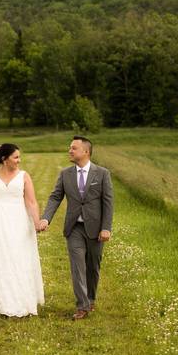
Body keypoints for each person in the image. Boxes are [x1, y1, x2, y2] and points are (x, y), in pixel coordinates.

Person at [38, 136, 113, 320]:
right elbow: (56, 197)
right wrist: (46, 218)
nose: (69, 151)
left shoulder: (102, 173)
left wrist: (106, 228)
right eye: (70, 148)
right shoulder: (65, 174)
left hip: (96, 229)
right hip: (74, 229)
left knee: (93, 266)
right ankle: (82, 306)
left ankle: (91, 299)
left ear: (85, 152)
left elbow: (108, 202)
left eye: (73, 148)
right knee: (77, 266)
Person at [0, 143, 45, 317]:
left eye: (19, 157)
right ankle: (3, 300)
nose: (19, 160)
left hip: (19, 221)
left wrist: (36, 222)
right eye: (15, 157)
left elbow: (31, 201)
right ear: (4, 159)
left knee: (19, 257)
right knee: (0, 258)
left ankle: (22, 299)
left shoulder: (23, 176)